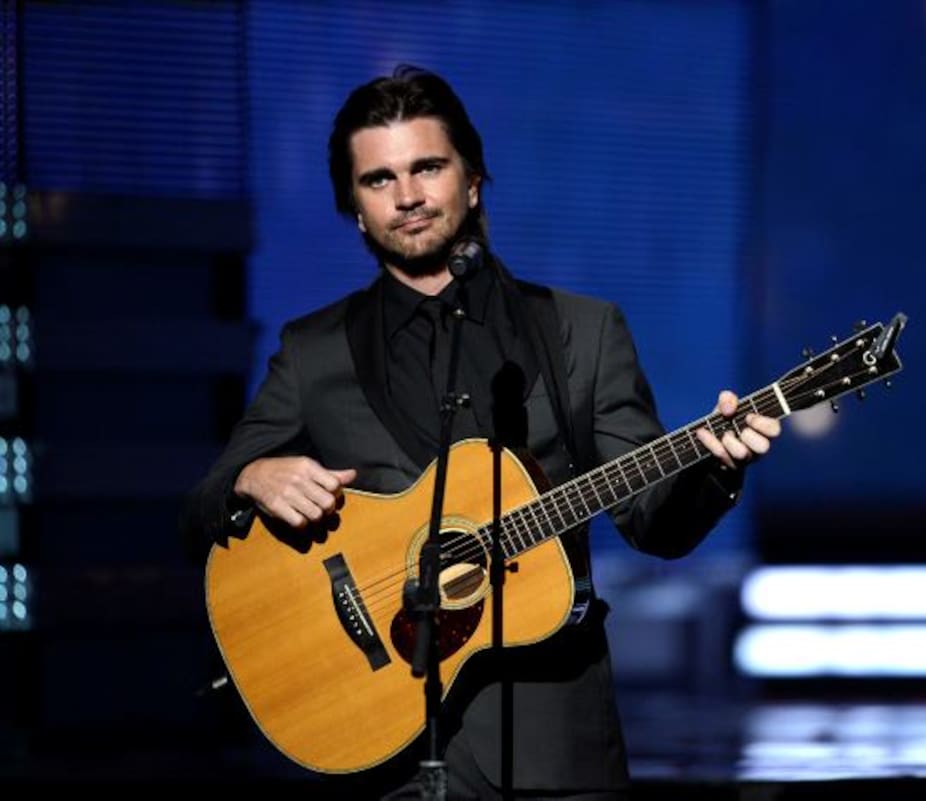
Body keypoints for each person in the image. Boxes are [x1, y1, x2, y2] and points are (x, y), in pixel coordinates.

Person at [180, 64, 780, 801]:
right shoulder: (315, 350)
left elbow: (652, 523)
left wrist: (714, 468)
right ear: (354, 209)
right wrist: (249, 478)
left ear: (473, 178)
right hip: (376, 744)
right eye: (379, 180)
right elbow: (203, 503)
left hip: (555, 750)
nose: (407, 196)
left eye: (427, 167)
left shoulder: (580, 332)